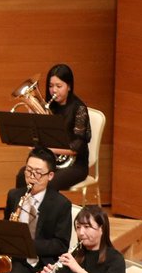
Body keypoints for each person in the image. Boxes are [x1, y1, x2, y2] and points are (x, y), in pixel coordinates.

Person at [15, 63, 91, 192]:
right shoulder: (49, 107)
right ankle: (24, 210)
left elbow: (78, 147)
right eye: (51, 86)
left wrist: (50, 148)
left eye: (59, 86)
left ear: (69, 86)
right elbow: (42, 136)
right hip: (51, 162)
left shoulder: (79, 109)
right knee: (23, 176)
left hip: (75, 165)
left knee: (49, 183)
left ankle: (45, 212)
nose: (54, 90)